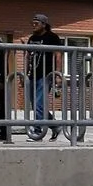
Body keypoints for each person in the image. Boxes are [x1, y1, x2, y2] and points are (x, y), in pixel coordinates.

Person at [24, 13, 62, 141]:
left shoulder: (52, 37)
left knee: (39, 104)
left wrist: (58, 75)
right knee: (36, 106)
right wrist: (25, 73)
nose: (33, 26)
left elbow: (58, 55)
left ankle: (37, 132)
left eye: (36, 23)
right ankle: (55, 126)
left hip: (46, 76)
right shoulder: (32, 38)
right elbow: (28, 56)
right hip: (33, 75)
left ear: (44, 24)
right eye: (32, 23)